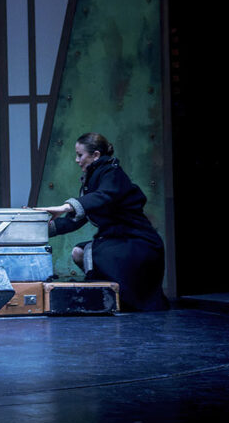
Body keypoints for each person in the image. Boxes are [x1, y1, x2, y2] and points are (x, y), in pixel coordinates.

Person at [35, 132, 169, 311]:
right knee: (79, 252)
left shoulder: (112, 173)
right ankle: (107, 298)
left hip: (136, 241)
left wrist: (65, 207)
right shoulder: (93, 178)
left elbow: (103, 196)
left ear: (96, 155)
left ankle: (112, 299)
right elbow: (75, 220)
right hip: (117, 240)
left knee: (93, 253)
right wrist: (39, 229)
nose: (77, 160)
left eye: (80, 155)